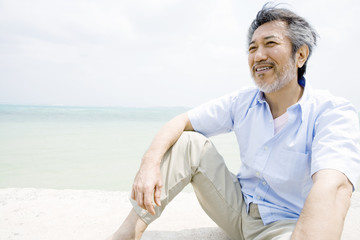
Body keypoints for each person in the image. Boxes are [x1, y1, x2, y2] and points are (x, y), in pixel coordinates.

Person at [107, 4, 360, 240]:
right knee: (189, 142)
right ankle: (127, 233)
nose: (258, 55)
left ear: (301, 55)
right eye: (252, 48)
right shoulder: (243, 102)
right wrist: (148, 164)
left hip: (287, 225)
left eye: (270, 43)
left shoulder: (332, 113)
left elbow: (334, 187)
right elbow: (181, 120)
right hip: (237, 210)